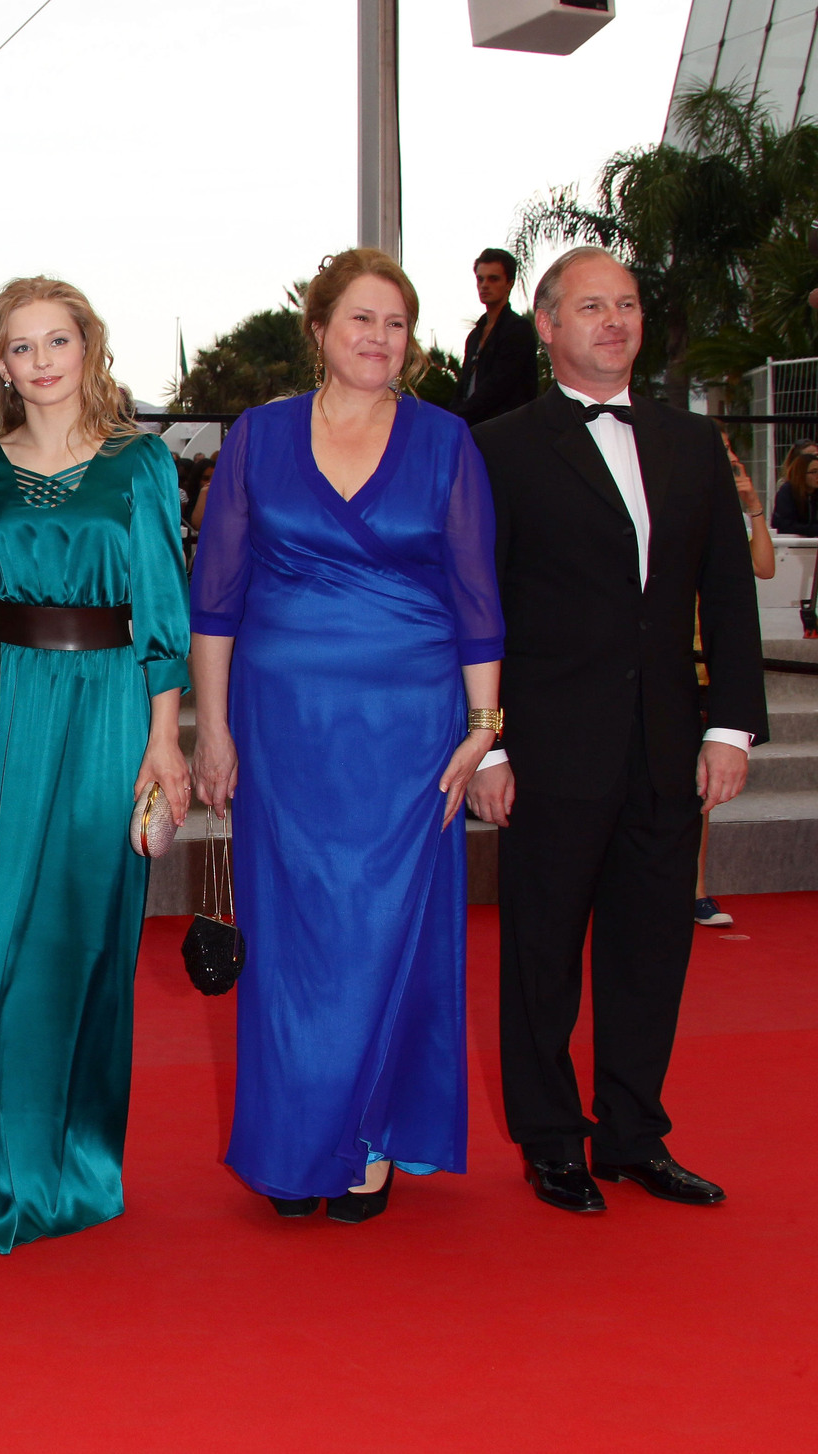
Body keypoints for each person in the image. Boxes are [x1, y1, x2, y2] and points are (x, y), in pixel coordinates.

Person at [189, 248, 504, 1223]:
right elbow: (217, 594)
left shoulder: (445, 441)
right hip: (281, 725)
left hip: (409, 729)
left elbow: (474, 595)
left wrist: (482, 728)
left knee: (384, 932)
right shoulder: (258, 435)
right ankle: (294, 1143)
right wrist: (212, 729)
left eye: (395, 323)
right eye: (359, 319)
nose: (377, 338)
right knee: (292, 939)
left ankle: (365, 1134)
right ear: (318, 329)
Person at [468, 246, 767, 1215]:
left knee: (649, 950)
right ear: (544, 325)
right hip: (548, 746)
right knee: (542, 954)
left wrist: (727, 724)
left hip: (665, 742)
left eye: (626, 304)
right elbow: (474, 606)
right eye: (589, 305)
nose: (612, 320)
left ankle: (633, 1130)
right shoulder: (499, 447)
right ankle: (552, 1137)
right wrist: (492, 742)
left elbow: (724, 590)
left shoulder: (688, 442)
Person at [0, 277, 190, 1253]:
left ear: (88, 345)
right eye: (18, 346)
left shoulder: (140, 462)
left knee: (81, 935)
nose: (39, 362)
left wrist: (166, 737)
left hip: (111, 707)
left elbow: (163, 607)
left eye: (55, 340)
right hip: (2, 708)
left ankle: (70, 1161)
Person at [693, 430, 775, 929]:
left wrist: (753, 508)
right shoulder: (679, 501)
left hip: (706, 668)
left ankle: (697, 889)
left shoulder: (723, 520)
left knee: (699, 789)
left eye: (729, 455)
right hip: (665, 659)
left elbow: (763, 566)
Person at [449, 248, 539, 427]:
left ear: (509, 283)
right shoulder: (475, 335)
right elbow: (464, 387)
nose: (484, 285)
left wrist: (458, 417)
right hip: (473, 427)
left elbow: (499, 386)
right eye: (480, 279)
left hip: (507, 429)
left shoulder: (518, 329)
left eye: (493, 278)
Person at [771, 445, 818, 536]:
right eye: (814, 472)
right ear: (801, 474)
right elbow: (784, 525)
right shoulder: (788, 491)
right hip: (790, 543)